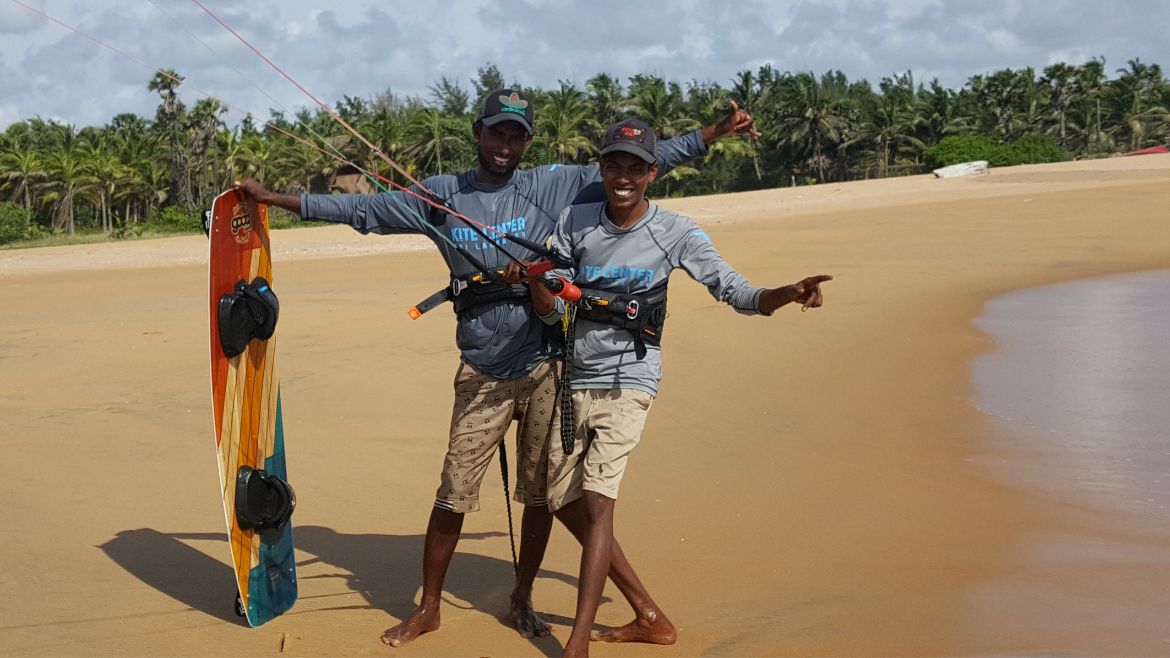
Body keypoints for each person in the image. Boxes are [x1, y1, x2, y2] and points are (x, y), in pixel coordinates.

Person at [234, 89, 759, 648]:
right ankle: (429, 608)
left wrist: (711, 134)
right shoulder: (441, 194)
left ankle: (521, 597)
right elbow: (363, 211)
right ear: (477, 133)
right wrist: (275, 200)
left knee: (541, 495)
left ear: (527, 142)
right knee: (452, 492)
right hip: (482, 371)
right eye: (496, 133)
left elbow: (637, 163)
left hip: (546, 365)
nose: (505, 145)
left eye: (516, 136)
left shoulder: (554, 185)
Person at [527, 118, 831, 657]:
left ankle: (576, 646)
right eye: (614, 165)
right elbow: (552, 310)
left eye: (636, 167)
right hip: (575, 374)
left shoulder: (677, 232)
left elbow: (736, 291)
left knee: (597, 501)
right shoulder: (574, 221)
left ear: (653, 173)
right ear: (602, 169)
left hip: (631, 378)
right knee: (562, 500)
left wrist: (787, 292)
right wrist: (538, 284)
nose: (624, 177)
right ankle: (649, 615)